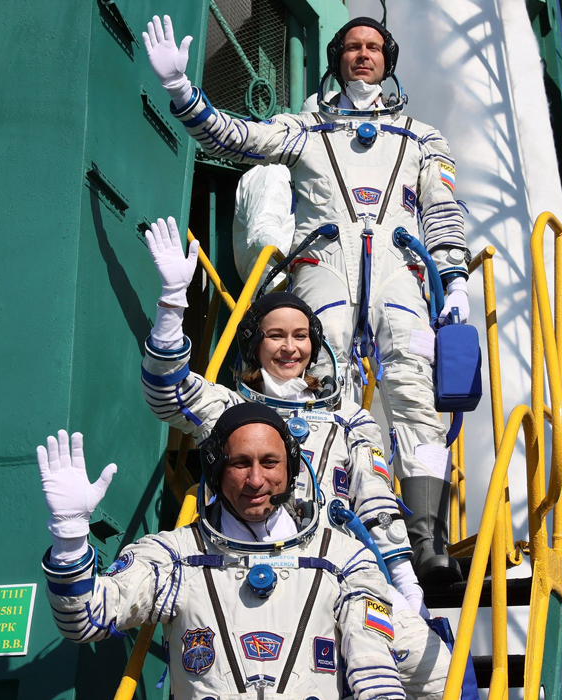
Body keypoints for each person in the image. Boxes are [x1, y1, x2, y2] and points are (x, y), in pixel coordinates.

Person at [142, 15, 470, 585]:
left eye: (373, 48)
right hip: (325, 272)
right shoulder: (305, 128)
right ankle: (312, 523)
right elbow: (237, 138)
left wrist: (456, 280)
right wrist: (182, 93)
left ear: (387, 59)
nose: (363, 56)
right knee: (317, 392)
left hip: (400, 274)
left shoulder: (422, 138)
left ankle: (425, 543)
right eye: (352, 47)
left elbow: (441, 211)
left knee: (415, 394)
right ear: (337, 58)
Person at [142, 215, 424, 614]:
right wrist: (172, 302)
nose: (290, 348)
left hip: (331, 575)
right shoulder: (230, 410)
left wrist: (405, 584)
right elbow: (166, 389)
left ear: (315, 344)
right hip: (239, 573)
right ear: (255, 345)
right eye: (276, 336)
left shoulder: (350, 420)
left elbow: (374, 502)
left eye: (301, 336)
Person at [38, 404, 409, 700]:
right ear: (216, 470)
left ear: (292, 467)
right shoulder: (175, 557)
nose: (256, 480)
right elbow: (85, 620)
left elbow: (375, 676)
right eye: (240, 463)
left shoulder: (344, 559)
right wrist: (70, 538)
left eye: (270, 462)